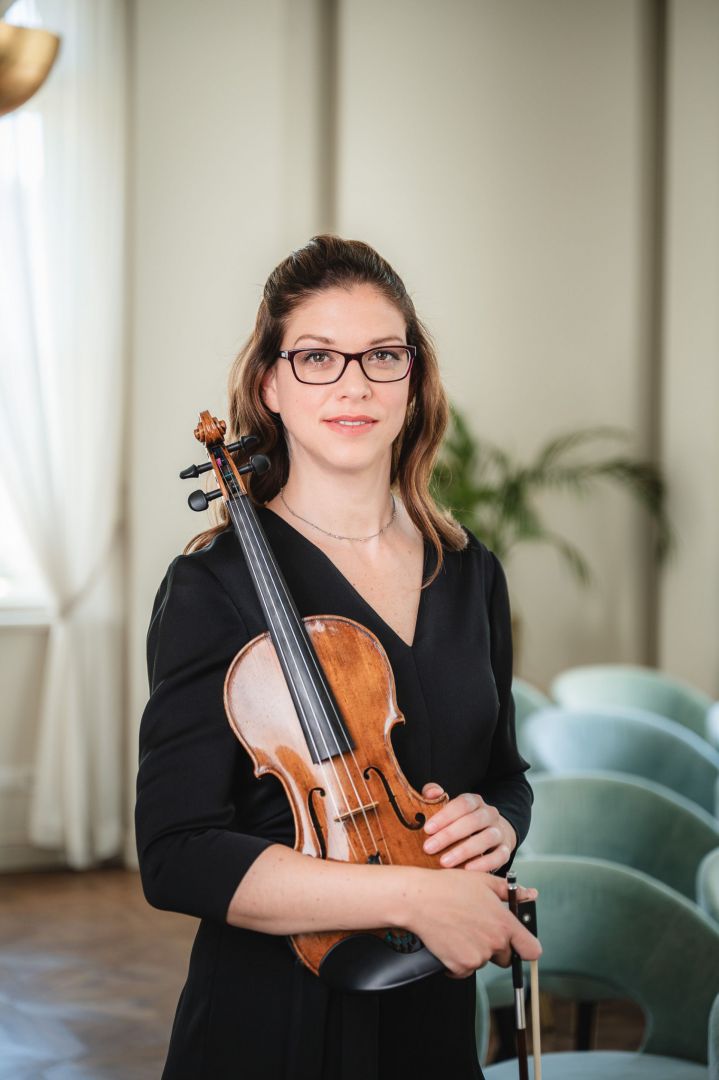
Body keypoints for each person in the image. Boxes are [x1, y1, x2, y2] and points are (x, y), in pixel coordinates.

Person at [135, 235, 540, 1080]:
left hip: (431, 1011)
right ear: (270, 385)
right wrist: (414, 894)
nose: (354, 384)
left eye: (382, 355)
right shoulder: (213, 586)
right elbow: (178, 852)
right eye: (317, 357)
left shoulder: (468, 571)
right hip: (272, 1024)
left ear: (412, 380)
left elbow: (505, 774)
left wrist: (497, 823)